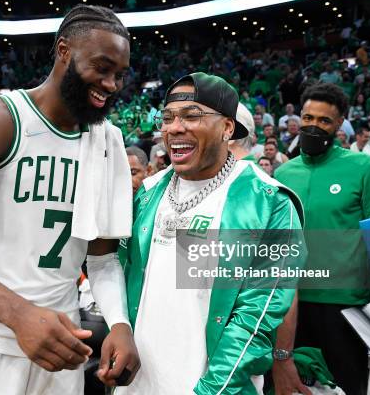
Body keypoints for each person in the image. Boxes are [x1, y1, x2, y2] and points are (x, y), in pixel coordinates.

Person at [0, 5, 139, 395]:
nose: (111, 84)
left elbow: (103, 259)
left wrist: (120, 324)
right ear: (64, 52)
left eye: (120, 75)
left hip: (63, 346)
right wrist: (19, 315)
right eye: (102, 68)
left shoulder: (108, 141)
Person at [119, 72, 304, 394]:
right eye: (167, 118)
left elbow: (257, 315)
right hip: (137, 383)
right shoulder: (148, 193)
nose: (174, 128)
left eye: (192, 116)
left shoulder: (269, 202)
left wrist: (213, 389)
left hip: (216, 387)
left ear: (227, 128)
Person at [272, 83, 370, 395]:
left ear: (340, 125)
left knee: (348, 386)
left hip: (346, 306)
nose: (313, 125)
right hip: (291, 305)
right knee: (296, 387)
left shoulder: (365, 168)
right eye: (308, 117)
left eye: (324, 120)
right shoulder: (283, 173)